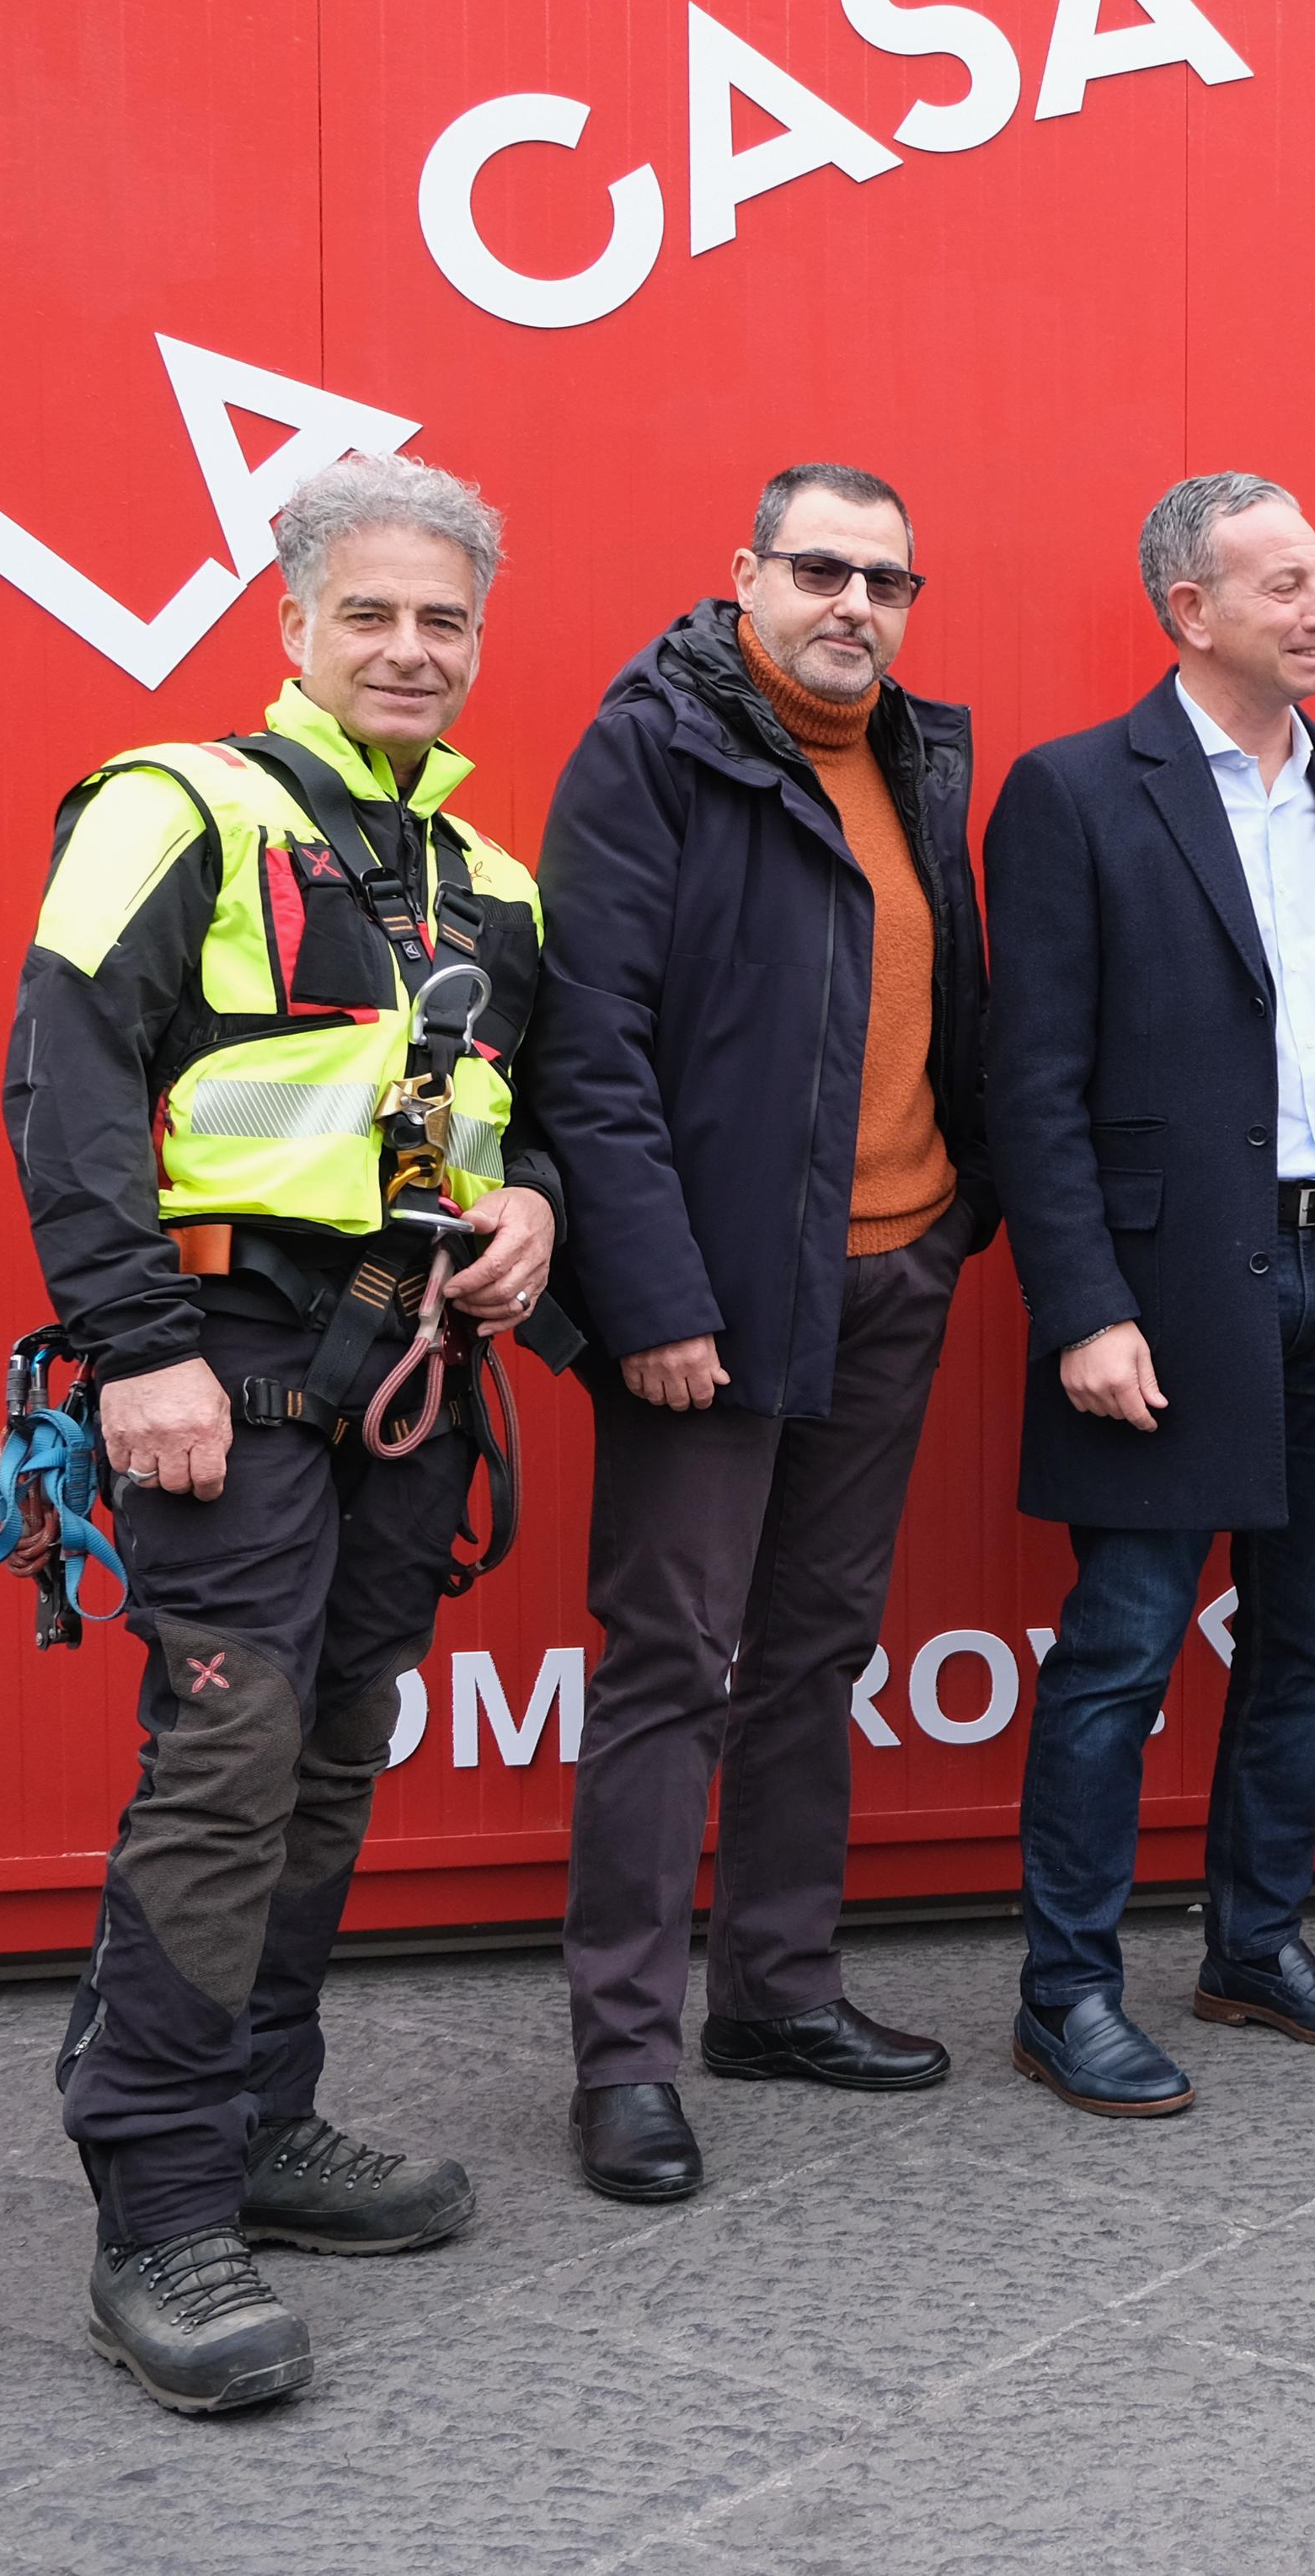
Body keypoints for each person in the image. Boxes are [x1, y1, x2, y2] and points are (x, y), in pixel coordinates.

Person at [5, 454, 551, 2413]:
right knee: (231, 1756)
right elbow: (65, 1074)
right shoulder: (176, 809)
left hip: (403, 1365)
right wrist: (132, 1344)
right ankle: (156, 2204)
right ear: (294, 628)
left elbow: (525, 1110)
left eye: (446, 621)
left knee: (329, 1754)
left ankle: (260, 2121)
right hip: (217, 1359)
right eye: (374, 616)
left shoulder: (490, 879)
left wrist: (539, 1211)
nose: (413, 650)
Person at [526, 463, 994, 2204]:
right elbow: (589, 1050)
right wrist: (647, 1301)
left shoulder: (914, 753)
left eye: (888, 575)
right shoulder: (652, 746)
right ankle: (624, 2060)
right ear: (744, 576)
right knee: (673, 1666)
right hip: (710, 1305)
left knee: (814, 1651)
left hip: (889, 1269)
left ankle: (777, 1992)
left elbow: (945, 993)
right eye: (821, 568)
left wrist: (957, 1216)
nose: (855, 603)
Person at [983, 472, 1315, 2116]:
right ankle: (1068, 1991)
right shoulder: (1071, 794)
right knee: (1121, 1650)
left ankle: (1255, 1946)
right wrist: (1082, 1309)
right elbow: (1029, 1085)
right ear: (1189, 612)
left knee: (1306, 1641)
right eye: (1285, 586)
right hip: (1169, 1291)